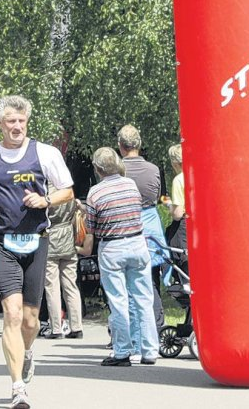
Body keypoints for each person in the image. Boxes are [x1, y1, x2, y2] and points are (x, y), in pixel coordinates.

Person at [0, 95, 74, 409]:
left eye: (21, 121)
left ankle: (27, 353)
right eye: (11, 122)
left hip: (36, 241)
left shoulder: (45, 153)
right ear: (1, 124)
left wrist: (46, 201)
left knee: (30, 321)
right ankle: (17, 388)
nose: (16, 127)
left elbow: (67, 190)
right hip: (1, 241)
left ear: (27, 122)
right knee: (11, 315)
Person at [84, 147, 159, 366]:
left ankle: (123, 350)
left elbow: (91, 227)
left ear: (98, 168)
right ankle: (150, 350)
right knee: (144, 298)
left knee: (118, 300)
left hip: (112, 247)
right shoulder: (130, 185)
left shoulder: (95, 193)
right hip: (137, 242)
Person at [117, 124, 165, 353]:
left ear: (120, 146)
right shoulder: (154, 169)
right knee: (150, 279)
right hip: (151, 221)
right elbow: (156, 195)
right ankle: (154, 328)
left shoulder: (117, 171)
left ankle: (132, 336)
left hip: (126, 221)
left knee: (127, 284)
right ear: (139, 144)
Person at [44, 188, 83, 339]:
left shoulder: (47, 194)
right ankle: (77, 326)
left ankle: (56, 328)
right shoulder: (69, 192)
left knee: (52, 286)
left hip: (51, 237)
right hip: (68, 237)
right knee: (70, 285)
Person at [165, 143, 188, 275]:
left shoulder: (179, 180)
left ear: (175, 164)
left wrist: (169, 205)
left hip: (185, 227)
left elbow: (178, 214)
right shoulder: (199, 174)